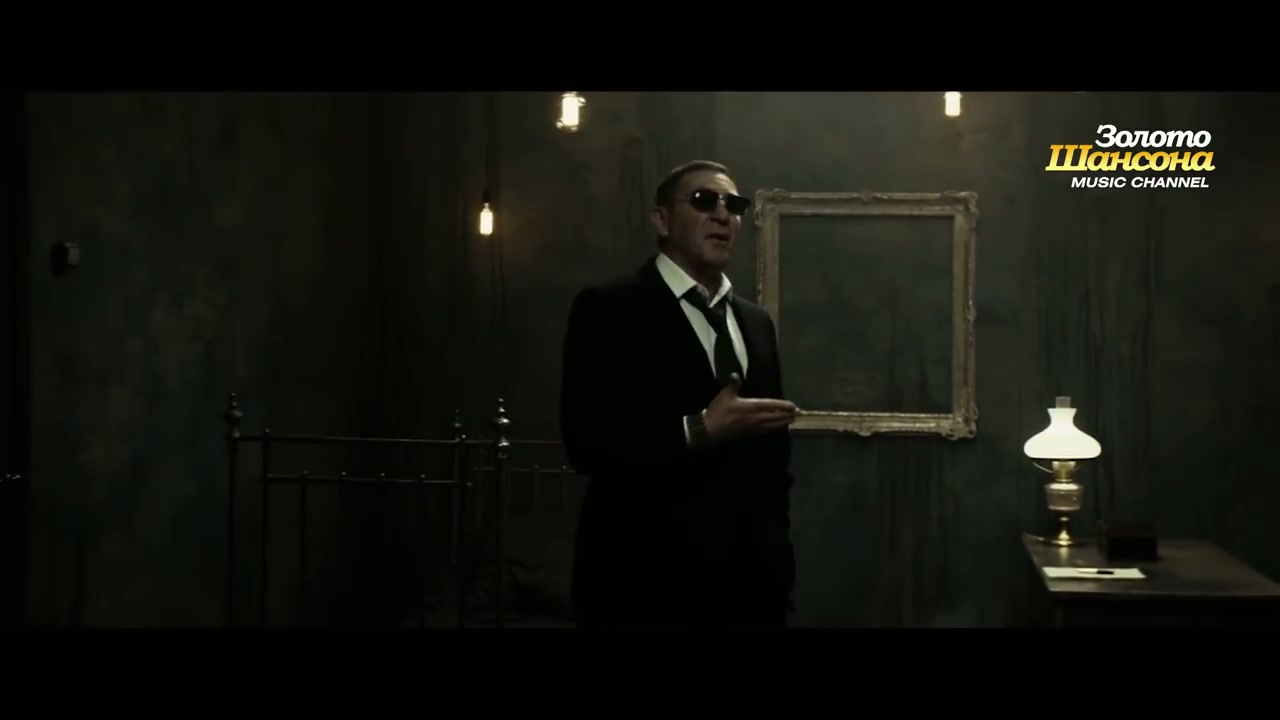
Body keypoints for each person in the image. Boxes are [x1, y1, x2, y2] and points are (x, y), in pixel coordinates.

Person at [559, 160, 799, 627]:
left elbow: (773, 462)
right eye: (704, 200)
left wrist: (778, 560)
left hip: (750, 589)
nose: (722, 215)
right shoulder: (608, 309)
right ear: (662, 220)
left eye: (734, 205)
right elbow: (584, 443)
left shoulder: (755, 322)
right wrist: (699, 429)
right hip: (642, 583)